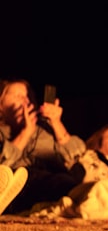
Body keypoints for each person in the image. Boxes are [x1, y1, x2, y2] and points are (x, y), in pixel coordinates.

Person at [0, 79, 86, 214]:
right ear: (1, 105)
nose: (25, 101)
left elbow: (77, 154)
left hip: (50, 183)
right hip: (15, 189)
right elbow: (3, 162)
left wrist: (56, 122)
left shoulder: (45, 129)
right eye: (18, 96)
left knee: (65, 181)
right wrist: (26, 133)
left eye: (29, 97)